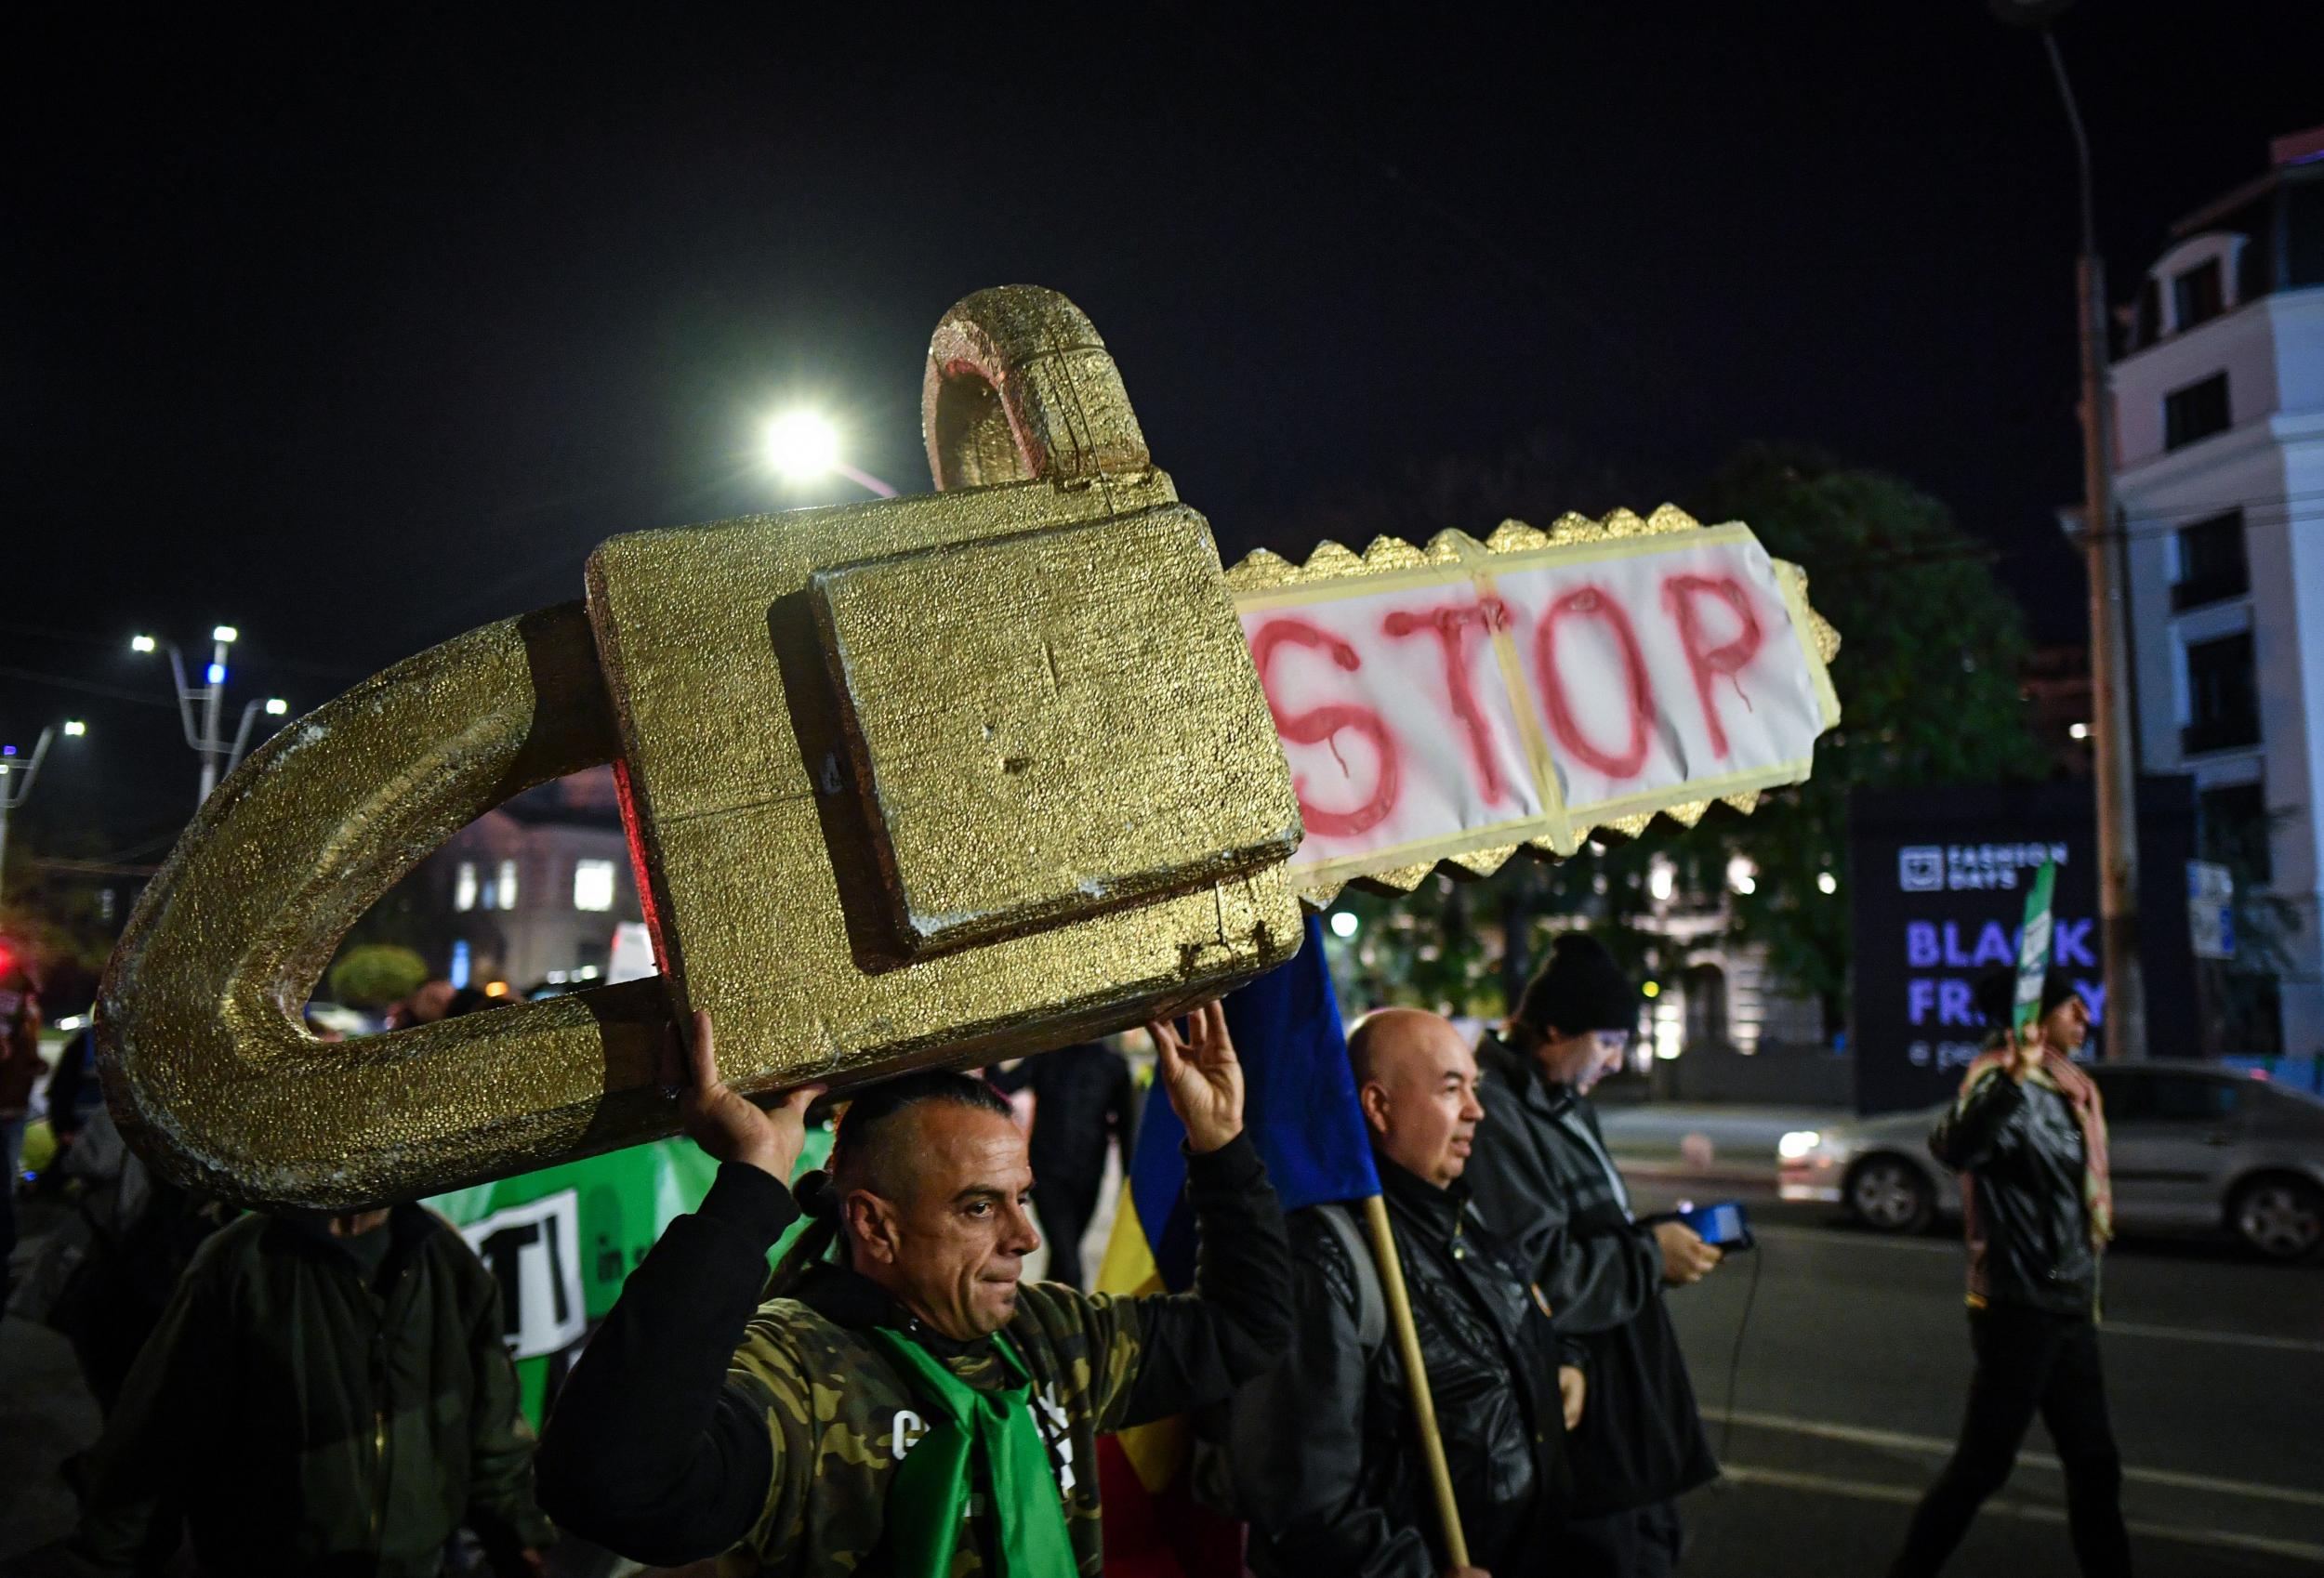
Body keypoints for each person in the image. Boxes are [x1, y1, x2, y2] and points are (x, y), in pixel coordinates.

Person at [534, 1001, 1292, 1576]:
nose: (1024, 1238)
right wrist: (750, 1189)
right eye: (978, 1207)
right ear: (876, 1226)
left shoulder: (1050, 1333)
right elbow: (612, 1487)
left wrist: (1221, 1145)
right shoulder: (794, 1372)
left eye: (1021, 1198)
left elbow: (1246, 1329)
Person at [1230, 1007, 1586, 1578]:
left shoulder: (1459, 1212)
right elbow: (1304, 1501)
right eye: (1452, 1090)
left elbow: (1509, 1323)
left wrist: (1561, 1361)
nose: (1476, 1111)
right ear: (1377, 1105)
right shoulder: (1325, 1261)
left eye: (1475, 1087)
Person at [64, 1191, 555, 1577]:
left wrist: (519, 1539)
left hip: (419, 1564)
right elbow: (155, 1445)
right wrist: (111, 1560)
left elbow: (491, 1427)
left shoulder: (444, 1259)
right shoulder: (241, 1266)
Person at [1463, 933, 1721, 1577]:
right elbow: (1537, 1270)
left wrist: (1652, 1240)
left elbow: (1591, 1229)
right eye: (1607, 1041)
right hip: (1585, 1407)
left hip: (1623, 1389)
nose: (1616, 1060)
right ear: (1553, 1031)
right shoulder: (1498, 1113)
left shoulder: (1562, 1102)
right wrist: (1648, 1259)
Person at [1890, 969, 2128, 1578]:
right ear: (2035, 1018)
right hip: (2020, 1305)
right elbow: (1953, 1147)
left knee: (2095, 1463)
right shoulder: (2004, 1083)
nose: (2085, 1017)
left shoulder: (2067, 1090)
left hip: (2071, 1300)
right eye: (2071, 1007)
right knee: (1983, 1466)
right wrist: (2016, 1076)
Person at [988, 1040, 1137, 1289]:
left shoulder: (1112, 1064)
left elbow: (1126, 1127)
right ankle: (1081, 1318)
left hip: (1088, 1176)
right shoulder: (1047, 1054)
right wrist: (991, 1048)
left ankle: (1047, 1313)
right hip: (1047, 1174)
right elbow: (1004, 1085)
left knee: (1064, 1254)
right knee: (1068, 1258)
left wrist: (1128, 1182)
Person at [0, 959, 41, 1307]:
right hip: (9, 1108)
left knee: (7, 1174)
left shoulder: (23, 1014)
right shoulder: (17, 1011)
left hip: (13, 1107)